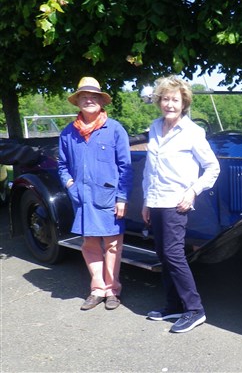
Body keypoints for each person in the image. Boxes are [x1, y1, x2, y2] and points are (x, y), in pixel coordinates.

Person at [142, 75, 220, 333]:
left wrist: (193, 192)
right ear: (159, 101)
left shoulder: (193, 132)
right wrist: (146, 201)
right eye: (165, 99)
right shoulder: (154, 127)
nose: (170, 104)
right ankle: (173, 305)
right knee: (163, 255)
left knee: (174, 254)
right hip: (155, 200)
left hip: (176, 201)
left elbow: (212, 168)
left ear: (183, 102)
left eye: (175, 99)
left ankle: (195, 310)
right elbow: (149, 169)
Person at [58, 77, 133, 311]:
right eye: (83, 96)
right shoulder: (68, 133)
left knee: (112, 245)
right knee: (89, 244)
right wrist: (70, 185)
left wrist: (122, 197)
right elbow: (62, 165)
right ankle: (97, 289)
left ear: (101, 101)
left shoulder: (115, 130)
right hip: (83, 199)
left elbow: (126, 167)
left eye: (93, 96)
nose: (88, 99)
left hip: (109, 199)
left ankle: (112, 290)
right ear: (78, 101)